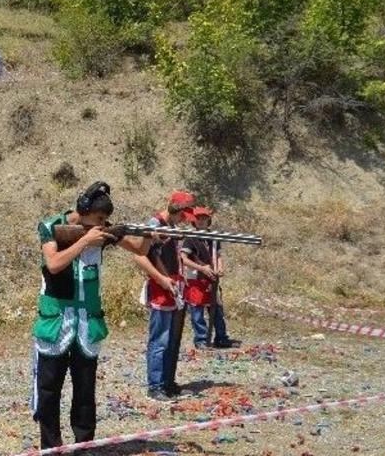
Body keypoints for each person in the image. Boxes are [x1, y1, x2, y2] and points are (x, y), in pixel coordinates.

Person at [31, 181, 154, 450]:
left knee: (85, 392)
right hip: (57, 320)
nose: (102, 224)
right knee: (49, 391)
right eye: (99, 219)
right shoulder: (51, 226)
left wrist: (150, 235)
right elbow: (53, 264)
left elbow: (140, 249)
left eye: (104, 220)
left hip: (87, 322)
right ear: (83, 210)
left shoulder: (102, 231)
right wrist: (85, 241)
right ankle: (50, 447)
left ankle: (84, 447)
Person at [133, 191, 195, 401]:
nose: (184, 219)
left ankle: (168, 382)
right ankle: (155, 386)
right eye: (183, 214)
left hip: (174, 286)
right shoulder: (155, 224)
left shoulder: (172, 227)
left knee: (173, 340)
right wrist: (162, 278)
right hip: (162, 287)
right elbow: (143, 256)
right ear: (175, 209)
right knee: (160, 339)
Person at [180, 207, 240, 349]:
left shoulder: (213, 237)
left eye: (204, 218)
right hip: (196, 279)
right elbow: (183, 259)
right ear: (194, 221)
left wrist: (220, 267)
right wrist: (201, 268)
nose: (201, 221)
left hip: (211, 278)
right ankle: (201, 339)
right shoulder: (190, 238)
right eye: (198, 218)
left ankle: (221, 338)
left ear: (208, 220)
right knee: (197, 310)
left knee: (217, 309)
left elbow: (217, 255)